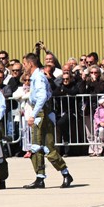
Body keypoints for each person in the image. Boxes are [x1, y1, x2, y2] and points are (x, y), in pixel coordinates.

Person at [22, 53, 73, 189]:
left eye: (25, 64)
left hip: (41, 114)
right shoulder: (37, 77)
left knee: (46, 147)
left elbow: (42, 96)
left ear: (30, 64)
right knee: (36, 147)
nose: (24, 67)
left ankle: (66, 174)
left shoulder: (38, 78)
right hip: (41, 113)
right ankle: (40, 177)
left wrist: (33, 115)